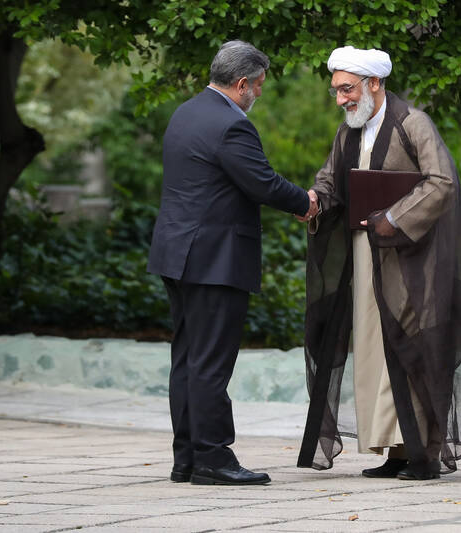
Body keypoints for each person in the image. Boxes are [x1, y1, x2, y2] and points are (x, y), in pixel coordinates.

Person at [297, 46, 461, 481]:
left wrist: (393, 218)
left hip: (411, 263)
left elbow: (442, 183)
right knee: (376, 353)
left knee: (412, 347)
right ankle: (397, 450)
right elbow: (330, 180)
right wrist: (314, 200)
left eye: (347, 89)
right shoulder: (348, 132)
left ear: (374, 83)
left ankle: (424, 455)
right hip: (365, 262)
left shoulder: (413, 123)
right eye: (336, 90)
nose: (340, 99)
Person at [147, 40, 318, 486]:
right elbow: (261, 182)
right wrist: (305, 202)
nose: (259, 93)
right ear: (242, 83)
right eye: (258, 85)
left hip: (177, 254)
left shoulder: (185, 113)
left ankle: (187, 458)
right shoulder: (231, 125)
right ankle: (213, 458)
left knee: (187, 358)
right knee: (211, 362)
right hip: (214, 258)